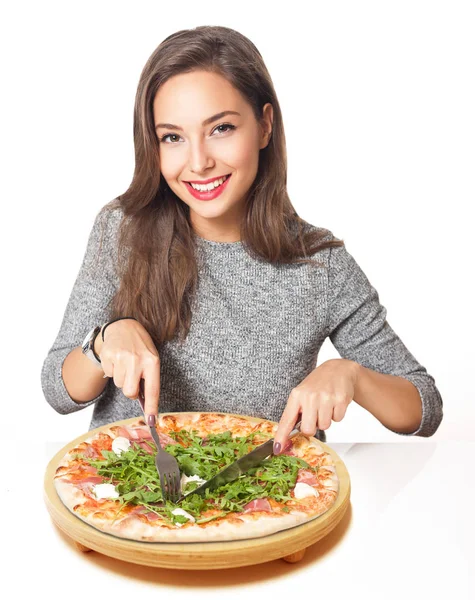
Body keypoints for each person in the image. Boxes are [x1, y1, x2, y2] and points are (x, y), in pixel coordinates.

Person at [41, 25, 443, 452]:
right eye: (172, 137)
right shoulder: (122, 229)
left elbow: (425, 409)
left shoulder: (320, 265)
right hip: (126, 501)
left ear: (265, 126)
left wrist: (352, 375)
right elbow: (58, 389)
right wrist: (104, 342)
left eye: (221, 129)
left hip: (266, 506)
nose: (198, 162)